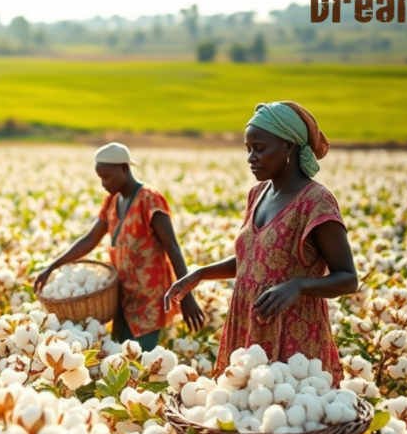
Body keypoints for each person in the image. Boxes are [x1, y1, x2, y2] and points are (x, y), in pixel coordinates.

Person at [163, 101, 358, 384]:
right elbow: (254, 260)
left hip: (292, 336)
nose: (251, 157)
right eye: (248, 149)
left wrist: (299, 285)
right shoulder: (258, 194)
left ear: (290, 147)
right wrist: (200, 274)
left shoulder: (315, 201)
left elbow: (348, 278)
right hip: (247, 326)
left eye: (260, 148)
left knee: (288, 416)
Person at [34, 142, 205, 351]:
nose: (103, 183)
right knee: (119, 357)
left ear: (124, 168)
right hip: (122, 296)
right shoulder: (112, 202)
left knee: (141, 358)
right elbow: (90, 240)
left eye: (107, 176)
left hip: (149, 299)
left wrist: (185, 296)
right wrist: (51, 267)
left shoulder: (149, 199)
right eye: (100, 178)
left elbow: (172, 247)